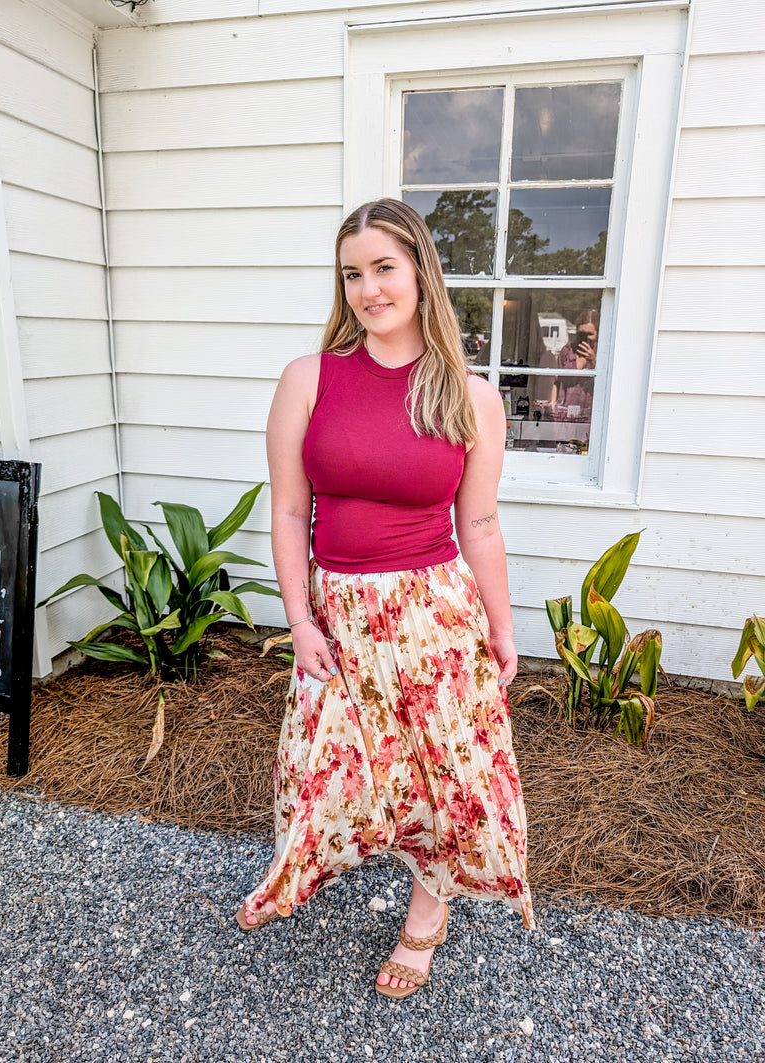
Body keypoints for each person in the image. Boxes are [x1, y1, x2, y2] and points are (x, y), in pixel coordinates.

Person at [236, 198, 534, 1000]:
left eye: (384, 268)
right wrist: (299, 620)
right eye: (352, 274)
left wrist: (503, 628)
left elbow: (478, 520)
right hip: (339, 613)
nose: (368, 289)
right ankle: (299, 872)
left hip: (435, 616)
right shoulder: (309, 379)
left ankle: (427, 912)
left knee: (448, 770)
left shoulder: (469, 395)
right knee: (331, 766)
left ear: (420, 273)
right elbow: (292, 510)